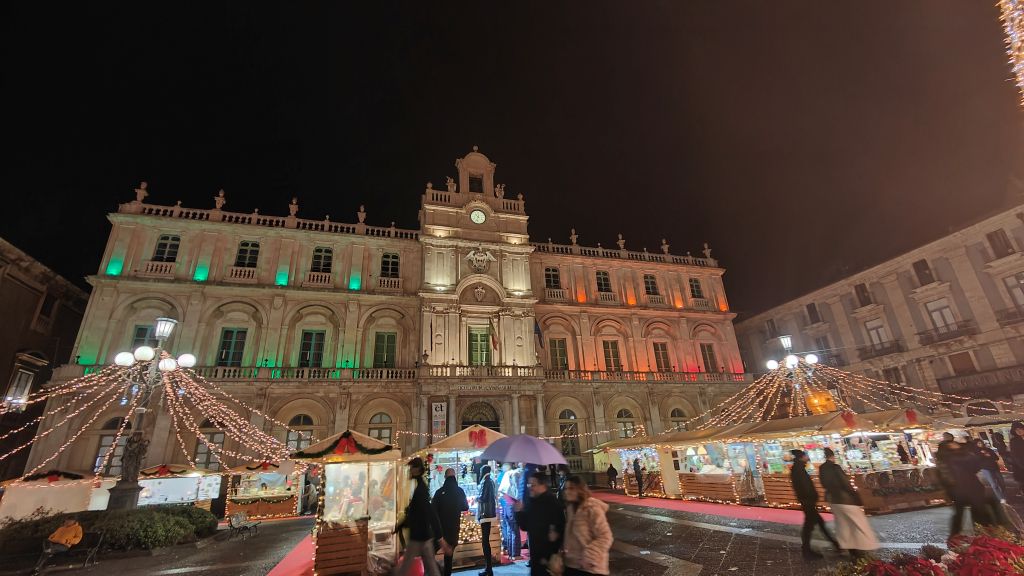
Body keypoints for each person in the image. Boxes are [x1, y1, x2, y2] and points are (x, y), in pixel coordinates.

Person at [818, 448, 878, 558]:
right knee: (859, 523)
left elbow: (823, 483)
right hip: (845, 499)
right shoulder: (835, 467)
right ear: (832, 456)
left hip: (833, 500)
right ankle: (865, 546)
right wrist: (857, 497)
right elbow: (846, 483)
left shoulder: (821, 468)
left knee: (843, 525)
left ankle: (850, 548)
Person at [394, 457, 447, 576]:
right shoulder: (420, 487)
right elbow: (420, 512)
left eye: (411, 468)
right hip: (424, 535)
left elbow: (428, 513)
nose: (410, 471)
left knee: (407, 565)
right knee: (431, 566)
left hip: (418, 536)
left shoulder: (420, 489)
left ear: (417, 470)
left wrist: (440, 537)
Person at [936, 439, 995, 536]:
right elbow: (974, 465)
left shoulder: (956, 456)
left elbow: (974, 467)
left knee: (970, 512)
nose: (955, 443)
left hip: (965, 488)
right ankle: (979, 534)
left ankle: (979, 534)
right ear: (947, 447)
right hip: (963, 489)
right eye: (951, 443)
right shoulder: (953, 457)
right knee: (972, 512)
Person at [790, 449, 839, 559]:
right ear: (801, 457)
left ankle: (834, 544)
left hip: (807, 501)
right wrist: (812, 497)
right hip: (807, 501)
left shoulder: (798, 468)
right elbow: (804, 486)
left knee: (818, 524)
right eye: (805, 455)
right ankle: (807, 551)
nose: (807, 457)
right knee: (810, 526)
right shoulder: (798, 469)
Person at [514, 472, 565, 576]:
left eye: (533, 485)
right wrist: (519, 513)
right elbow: (525, 526)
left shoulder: (553, 504)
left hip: (548, 559)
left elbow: (561, 529)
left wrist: (553, 550)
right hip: (536, 556)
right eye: (529, 485)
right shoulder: (532, 502)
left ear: (543, 485)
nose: (530, 488)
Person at [562, 476, 613, 576]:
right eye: (566, 488)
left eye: (571, 488)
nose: (567, 491)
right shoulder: (570, 508)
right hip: (571, 565)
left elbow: (605, 537)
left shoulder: (592, 508)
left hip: (590, 567)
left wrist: (589, 557)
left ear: (580, 489)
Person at [432, 469, 469, 576]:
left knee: (430, 554)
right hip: (453, 529)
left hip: (440, 530)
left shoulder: (439, 492)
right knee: (449, 557)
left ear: (445, 477)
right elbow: (465, 507)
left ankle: (435, 571)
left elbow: (433, 510)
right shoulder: (460, 491)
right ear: (455, 477)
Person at [476, 465, 498, 576]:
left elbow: (482, 497)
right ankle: (488, 569)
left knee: (485, 542)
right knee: (485, 541)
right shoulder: (491, 481)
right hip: (489, 513)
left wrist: (476, 498)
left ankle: (488, 569)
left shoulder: (486, 482)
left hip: (485, 514)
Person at [498, 463, 522, 559]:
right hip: (512, 505)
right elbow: (516, 491)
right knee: (514, 529)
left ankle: (510, 552)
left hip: (506, 505)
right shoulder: (514, 475)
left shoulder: (505, 479)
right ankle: (515, 554)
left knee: (509, 529)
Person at [1010, 422, 1024, 492]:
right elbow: (1016, 456)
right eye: (1016, 430)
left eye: (1020, 429)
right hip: (1021, 468)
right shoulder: (1014, 441)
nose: (1018, 431)